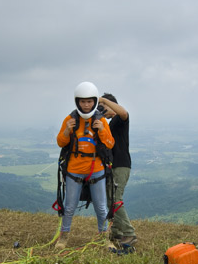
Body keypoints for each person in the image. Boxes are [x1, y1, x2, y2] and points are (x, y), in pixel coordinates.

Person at [55, 81, 115, 249]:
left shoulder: (101, 120)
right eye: (83, 101)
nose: (86, 105)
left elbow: (110, 144)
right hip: (74, 170)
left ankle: (104, 239)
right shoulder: (70, 119)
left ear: (94, 101)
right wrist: (67, 130)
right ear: (77, 102)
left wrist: (102, 129)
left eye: (89, 101)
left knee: (101, 208)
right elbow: (61, 142)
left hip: (96, 170)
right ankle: (63, 238)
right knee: (69, 207)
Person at [101, 93, 137, 248]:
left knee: (115, 200)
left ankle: (129, 233)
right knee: (111, 198)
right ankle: (117, 232)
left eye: (103, 108)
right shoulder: (111, 123)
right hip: (114, 165)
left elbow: (123, 112)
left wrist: (102, 100)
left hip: (120, 165)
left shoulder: (120, 119)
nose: (102, 110)